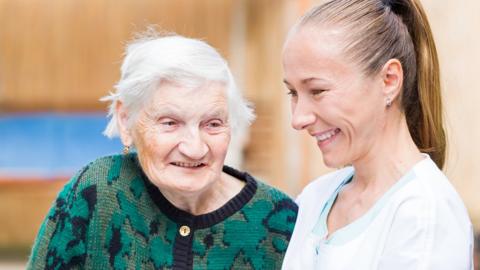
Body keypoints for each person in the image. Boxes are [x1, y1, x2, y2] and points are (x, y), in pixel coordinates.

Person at [27, 32, 298, 269]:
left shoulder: (280, 221)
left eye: (212, 124)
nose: (195, 148)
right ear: (126, 119)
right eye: (170, 123)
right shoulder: (97, 191)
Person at [281, 0, 473, 269]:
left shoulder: (424, 215)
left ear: (389, 80)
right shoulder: (315, 197)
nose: (298, 118)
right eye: (293, 93)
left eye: (318, 91)